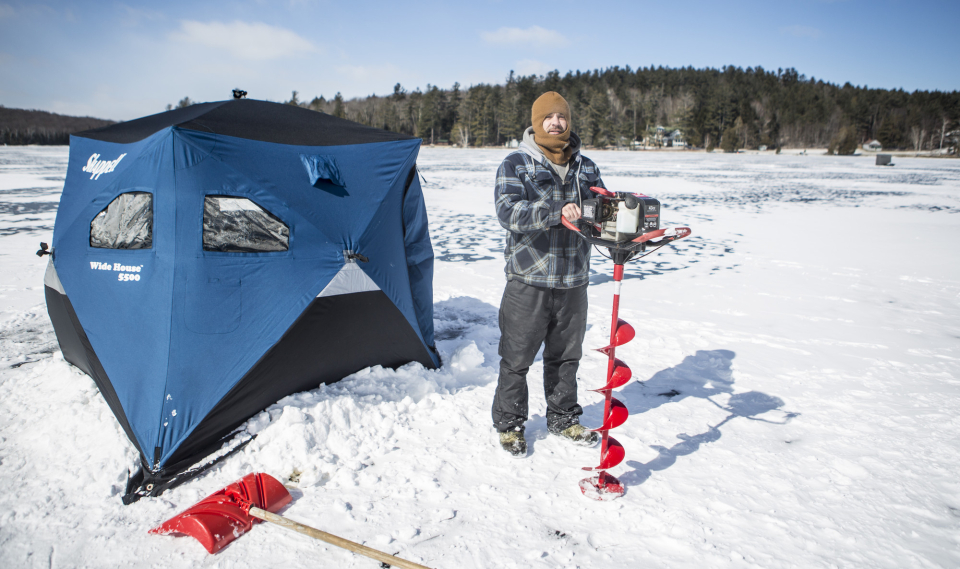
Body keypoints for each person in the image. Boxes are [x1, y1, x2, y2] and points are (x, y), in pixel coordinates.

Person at [492, 91, 604, 456]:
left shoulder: (586, 166)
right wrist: (556, 209)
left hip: (574, 280)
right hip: (529, 281)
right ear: (537, 122)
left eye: (562, 117)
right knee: (516, 358)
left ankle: (563, 418)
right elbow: (509, 213)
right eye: (548, 117)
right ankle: (510, 425)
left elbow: (599, 210)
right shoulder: (516, 164)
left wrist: (617, 221)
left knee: (567, 356)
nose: (556, 123)